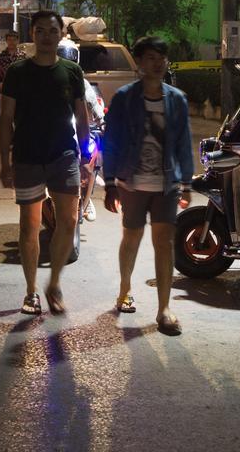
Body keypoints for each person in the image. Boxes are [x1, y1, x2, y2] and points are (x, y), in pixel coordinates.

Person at [0, 10, 89, 315]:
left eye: (53, 31)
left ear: (60, 34)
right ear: (32, 35)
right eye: (41, 31)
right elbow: (6, 118)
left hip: (64, 154)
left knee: (69, 221)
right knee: (30, 226)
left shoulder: (72, 71)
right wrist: (4, 161)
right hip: (27, 157)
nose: (47, 36)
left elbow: (81, 115)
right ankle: (30, 291)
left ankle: (54, 283)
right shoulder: (17, 72)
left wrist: (86, 154)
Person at [102, 36, 193, 336]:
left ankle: (164, 309)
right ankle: (125, 289)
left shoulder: (176, 99)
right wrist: (110, 183)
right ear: (139, 63)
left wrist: (187, 182)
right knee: (132, 237)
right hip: (132, 181)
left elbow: (183, 143)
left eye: (162, 58)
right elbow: (111, 140)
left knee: (164, 243)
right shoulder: (125, 98)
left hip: (166, 182)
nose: (158, 63)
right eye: (151, 58)